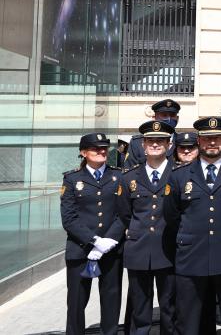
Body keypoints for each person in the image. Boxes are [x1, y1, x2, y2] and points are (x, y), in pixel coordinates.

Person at [165, 116, 221, 335]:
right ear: (199, 140)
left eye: (218, 138)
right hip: (191, 255)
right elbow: (171, 213)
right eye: (207, 139)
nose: (213, 143)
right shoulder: (179, 176)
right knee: (188, 318)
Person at [61, 132, 124, 335]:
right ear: (83, 152)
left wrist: (110, 240)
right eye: (95, 148)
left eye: (104, 147)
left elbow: (124, 213)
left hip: (111, 250)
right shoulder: (72, 179)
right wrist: (94, 240)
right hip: (80, 250)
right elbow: (69, 218)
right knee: (77, 302)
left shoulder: (119, 176)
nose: (101, 151)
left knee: (111, 300)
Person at [117, 121, 177, 335]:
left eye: (160, 141)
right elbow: (125, 213)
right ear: (143, 145)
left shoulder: (178, 174)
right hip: (138, 250)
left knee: (169, 309)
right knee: (140, 310)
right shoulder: (128, 177)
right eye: (150, 140)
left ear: (169, 145)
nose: (155, 144)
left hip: (168, 250)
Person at [125, 99, 181, 167]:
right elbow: (130, 170)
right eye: (164, 115)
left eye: (172, 115)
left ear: (177, 119)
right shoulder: (136, 142)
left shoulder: (182, 142)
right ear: (154, 118)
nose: (169, 119)